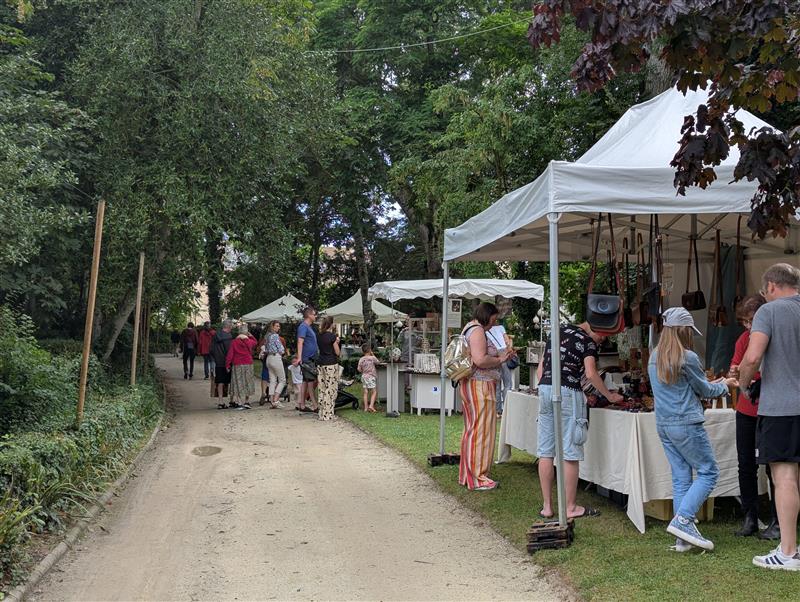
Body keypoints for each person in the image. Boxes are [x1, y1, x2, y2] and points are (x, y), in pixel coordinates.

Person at [649, 307, 736, 552]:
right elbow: (705, 391)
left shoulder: (654, 356)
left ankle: (682, 539)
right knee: (709, 473)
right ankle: (684, 521)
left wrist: (717, 384)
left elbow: (691, 387)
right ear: (684, 331)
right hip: (686, 423)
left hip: (664, 424)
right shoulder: (688, 357)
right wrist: (726, 386)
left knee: (681, 478)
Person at [739, 263, 800, 570]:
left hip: (783, 407)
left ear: (772, 286)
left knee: (785, 477)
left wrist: (745, 382)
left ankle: (788, 552)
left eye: (764, 292)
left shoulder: (769, 311)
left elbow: (752, 355)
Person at [536, 321, 623, 517]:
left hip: (545, 389)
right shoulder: (587, 341)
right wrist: (610, 396)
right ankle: (570, 507)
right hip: (569, 391)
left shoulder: (556, 331)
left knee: (546, 450)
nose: (603, 338)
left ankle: (547, 507)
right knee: (570, 451)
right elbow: (591, 373)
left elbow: (541, 369)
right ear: (595, 325)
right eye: (604, 333)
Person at [728, 294, 778, 539]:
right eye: (744, 321)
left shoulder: (774, 336)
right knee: (745, 464)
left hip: (771, 409)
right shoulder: (743, 339)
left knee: (774, 466)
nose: (748, 326)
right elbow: (735, 370)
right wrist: (736, 373)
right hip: (746, 410)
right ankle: (750, 517)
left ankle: (778, 520)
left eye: (751, 320)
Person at [457, 302, 509, 491]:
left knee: (472, 431)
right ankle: (478, 477)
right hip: (480, 385)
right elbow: (480, 360)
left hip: (471, 385)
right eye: (493, 319)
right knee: (482, 432)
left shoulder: (469, 327)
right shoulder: (478, 330)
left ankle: (468, 475)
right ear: (487, 316)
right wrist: (500, 359)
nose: (494, 323)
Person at [292, 307, 319, 413]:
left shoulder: (308, 327)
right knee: (311, 381)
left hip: (310, 358)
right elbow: (300, 342)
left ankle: (302, 405)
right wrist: (299, 357)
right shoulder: (303, 327)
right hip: (307, 359)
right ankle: (315, 405)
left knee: (305, 381)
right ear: (309, 315)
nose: (315, 316)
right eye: (314, 314)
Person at [226, 323, 257, 409]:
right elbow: (255, 342)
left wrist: (227, 364)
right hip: (248, 363)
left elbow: (230, 354)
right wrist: (251, 336)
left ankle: (239, 402)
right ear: (246, 333)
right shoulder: (249, 341)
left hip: (237, 364)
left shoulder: (234, 342)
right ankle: (247, 401)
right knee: (248, 381)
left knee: (238, 382)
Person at [487, 321, 514, 417]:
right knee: (507, 383)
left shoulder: (485, 330)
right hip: (504, 352)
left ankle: (497, 411)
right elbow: (507, 341)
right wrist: (509, 349)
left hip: (494, 354)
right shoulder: (501, 328)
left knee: (497, 385)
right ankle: (507, 409)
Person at [316, 316, 340, 421]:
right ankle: (328, 414)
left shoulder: (319, 335)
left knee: (322, 387)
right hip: (331, 364)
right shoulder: (331, 336)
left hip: (320, 363)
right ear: (331, 324)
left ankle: (321, 413)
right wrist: (337, 342)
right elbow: (337, 352)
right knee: (331, 388)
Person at [264, 321, 286, 409]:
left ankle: (272, 401)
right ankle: (276, 400)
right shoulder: (275, 336)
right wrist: (283, 351)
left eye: (279, 326)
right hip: (275, 357)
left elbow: (265, 348)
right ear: (272, 327)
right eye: (277, 326)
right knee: (282, 380)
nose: (278, 328)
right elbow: (280, 348)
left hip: (268, 358)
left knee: (272, 380)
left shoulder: (267, 336)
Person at [211, 320, 233, 405]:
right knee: (231, 381)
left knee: (220, 381)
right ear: (228, 327)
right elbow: (230, 351)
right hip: (227, 362)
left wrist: (216, 358)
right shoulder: (229, 337)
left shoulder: (216, 335)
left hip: (218, 361)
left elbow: (211, 349)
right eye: (231, 326)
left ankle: (220, 401)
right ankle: (231, 400)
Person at [358, 343, 379, 413]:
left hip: (364, 376)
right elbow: (378, 362)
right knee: (374, 391)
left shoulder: (361, 359)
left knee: (365, 392)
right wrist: (373, 354)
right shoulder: (372, 358)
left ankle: (366, 408)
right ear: (370, 350)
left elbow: (359, 369)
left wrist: (363, 370)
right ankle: (371, 406)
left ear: (362, 351)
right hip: (371, 376)